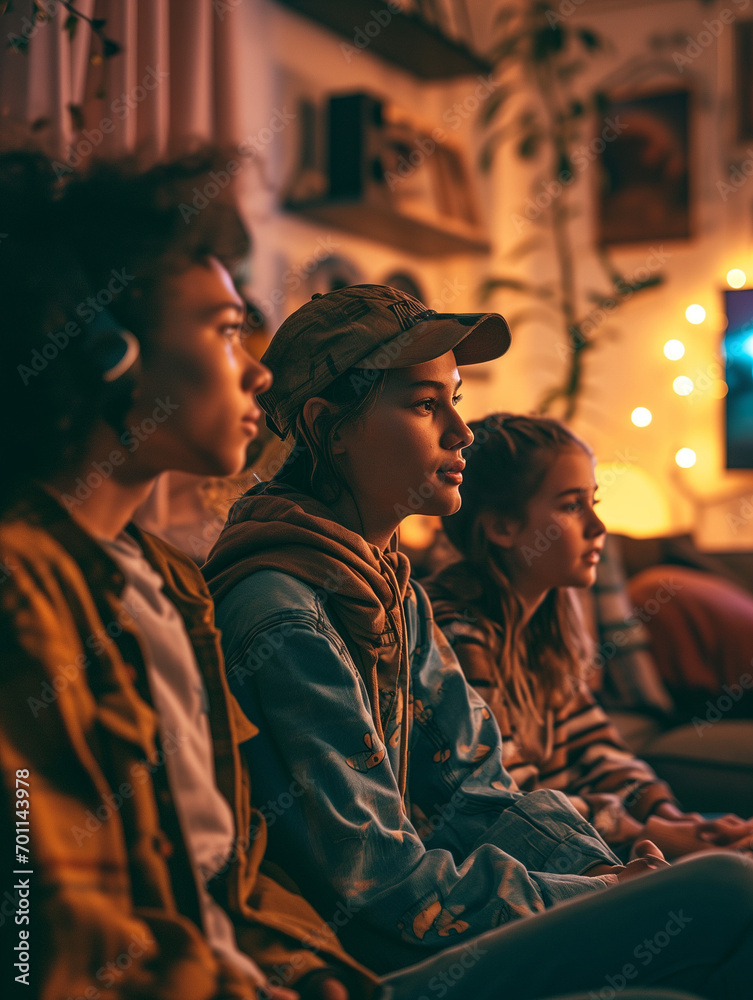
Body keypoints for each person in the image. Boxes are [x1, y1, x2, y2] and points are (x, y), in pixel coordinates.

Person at [203, 285, 753, 998]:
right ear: (327, 426)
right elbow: (382, 893)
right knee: (723, 892)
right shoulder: (283, 615)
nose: (460, 431)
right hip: (368, 962)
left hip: (435, 916)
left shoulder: (391, 590)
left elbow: (479, 793)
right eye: (426, 405)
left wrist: (601, 873)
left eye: (455, 399)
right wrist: (590, 900)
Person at [0, 149, 377, 1000]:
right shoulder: (22, 588)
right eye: (223, 329)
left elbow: (229, 886)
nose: (259, 368)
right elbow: (55, 941)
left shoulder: (173, 583)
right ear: (107, 352)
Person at [425, 413, 753, 860]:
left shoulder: (548, 622)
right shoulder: (457, 635)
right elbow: (508, 792)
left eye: (592, 501)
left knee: (728, 842)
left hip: (585, 834)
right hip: (539, 859)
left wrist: (669, 817)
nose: (599, 526)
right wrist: (635, 833)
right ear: (502, 527)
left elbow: (593, 742)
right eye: (571, 505)